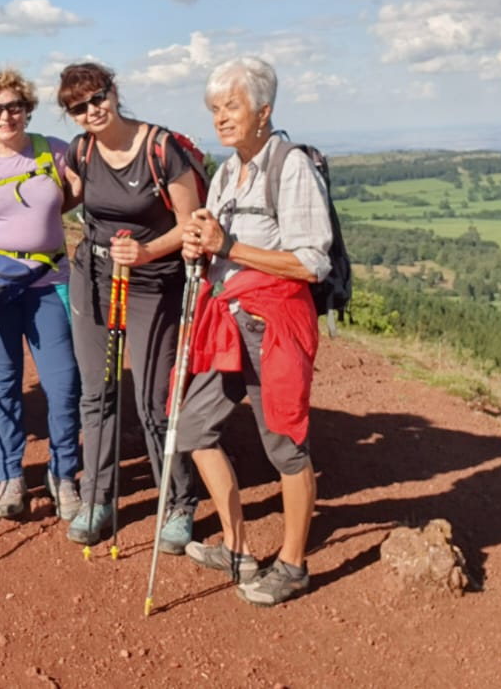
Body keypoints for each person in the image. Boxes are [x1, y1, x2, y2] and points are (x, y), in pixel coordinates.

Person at [178, 56, 331, 607]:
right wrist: (200, 247)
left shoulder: (290, 167)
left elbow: (312, 263)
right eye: (215, 108)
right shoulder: (225, 172)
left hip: (275, 326)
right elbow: (219, 247)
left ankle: (293, 564)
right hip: (225, 318)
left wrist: (229, 248)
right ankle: (239, 547)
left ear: (263, 111)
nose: (221, 117)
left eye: (232, 106)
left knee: (286, 445)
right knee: (193, 427)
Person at [58, 62, 203, 552]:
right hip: (94, 277)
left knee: (153, 397)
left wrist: (145, 253)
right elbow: (65, 199)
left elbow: (191, 223)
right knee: (96, 392)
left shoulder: (162, 150)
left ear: (114, 93)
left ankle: (179, 502)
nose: (90, 111)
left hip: (153, 280)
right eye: (77, 107)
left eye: (96, 98)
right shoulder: (82, 151)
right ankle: (98, 499)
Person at [0, 69, 82, 520]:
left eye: (14, 106)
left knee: (63, 385)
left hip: (48, 282)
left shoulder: (54, 153)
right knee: (3, 384)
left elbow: (77, 197)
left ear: (27, 108)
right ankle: (10, 475)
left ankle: (64, 474)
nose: (6, 116)